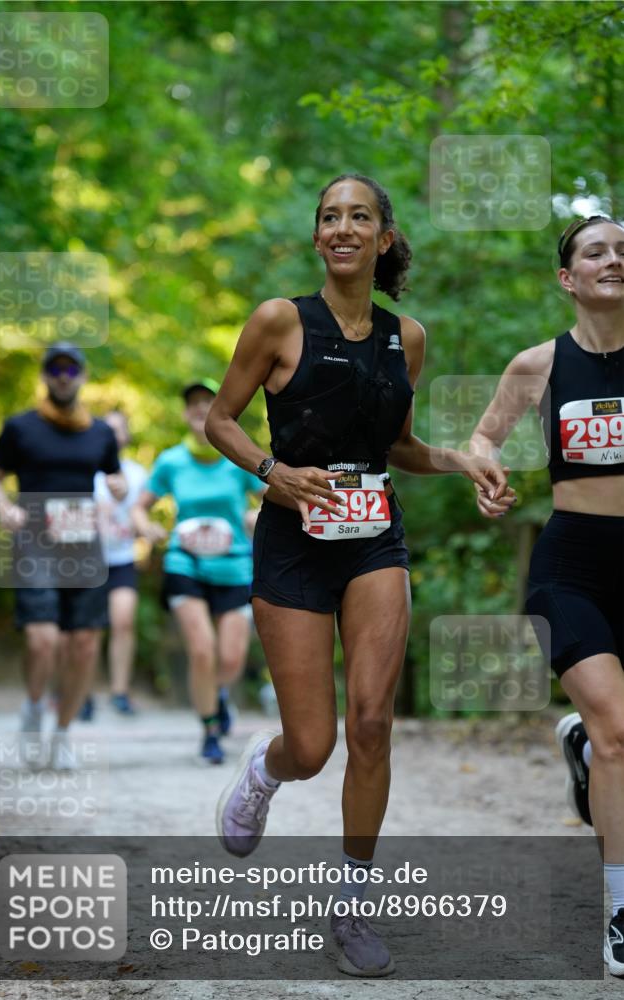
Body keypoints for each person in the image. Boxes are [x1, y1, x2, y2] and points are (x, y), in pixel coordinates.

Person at [204, 173, 508, 977]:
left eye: (359, 216)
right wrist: (274, 471)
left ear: (382, 238)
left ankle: (352, 907)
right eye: (329, 216)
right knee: (314, 744)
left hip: (373, 538)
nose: (343, 227)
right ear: (318, 238)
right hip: (292, 541)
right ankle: (266, 772)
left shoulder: (404, 337)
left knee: (372, 724)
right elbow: (218, 419)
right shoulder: (277, 321)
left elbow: (399, 448)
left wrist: (462, 461)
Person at [470, 215, 624, 978]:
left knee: (614, 739)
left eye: (622, 249)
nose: (613, 258)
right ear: (567, 279)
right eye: (595, 250)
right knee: (620, 731)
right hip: (572, 565)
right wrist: (485, 473)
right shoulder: (537, 364)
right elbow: (483, 437)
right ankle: (621, 913)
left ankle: (583, 749)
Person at [0, 343, 126, 768]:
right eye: (55, 368)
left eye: (71, 368)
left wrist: (120, 488)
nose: (64, 375)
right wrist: (4, 507)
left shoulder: (100, 432)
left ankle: (61, 734)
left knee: (83, 644)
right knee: (42, 639)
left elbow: (117, 479)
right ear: (45, 375)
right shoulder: (20, 428)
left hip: (83, 545)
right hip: (34, 543)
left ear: (81, 376)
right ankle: (32, 708)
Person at [131, 378, 264, 765]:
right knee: (202, 650)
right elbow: (140, 506)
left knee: (232, 658)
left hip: (235, 565)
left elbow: (271, 500)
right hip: (184, 562)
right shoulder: (171, 460)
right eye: (192, 403)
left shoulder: (240, 458)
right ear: (185, 413)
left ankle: (219, 696)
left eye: (208, 401)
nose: (199, 408)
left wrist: (254, 517)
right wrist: (146, 526)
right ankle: (209, 730)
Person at [91, 410, 149, 716]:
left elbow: (143, 517)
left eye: (118, 430)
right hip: (87, 561)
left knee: (123, 623)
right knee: (87, 628)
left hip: (123, 559)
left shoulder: (138, 474)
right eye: (107, 429)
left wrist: (144, 537)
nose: (113, 436)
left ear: (126, 436)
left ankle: (120, 692)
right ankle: (81, 694)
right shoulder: (85, 471)